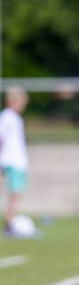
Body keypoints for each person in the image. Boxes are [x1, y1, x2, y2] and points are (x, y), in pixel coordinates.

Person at [0, 86, 32, 237]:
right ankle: (9, 223)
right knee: (14, 192)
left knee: (17, 192)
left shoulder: (16, 118)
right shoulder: (7, 117)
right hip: (11, 161)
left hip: (18, 161)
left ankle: (10, 221)